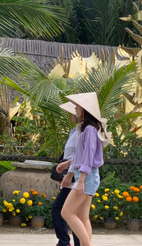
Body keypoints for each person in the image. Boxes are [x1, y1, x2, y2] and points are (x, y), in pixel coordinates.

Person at [59, 92, 111, 246]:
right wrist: (69, 172)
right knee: (83, 217)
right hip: (87, 177)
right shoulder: (86, 129)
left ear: (85, 110)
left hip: (86, 178)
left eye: (77, 106)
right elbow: (79, 157)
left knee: (66, 212)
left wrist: (80, 180)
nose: (75, 109)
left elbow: (87, 157)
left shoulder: (89, 130)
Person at [52, 102, 81, 246]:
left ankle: (65, 242)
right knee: (72, 211)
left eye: (75, 110)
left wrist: (68, 174)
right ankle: (68, 242)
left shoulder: (84, 132)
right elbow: (69, 154)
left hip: (77, 174)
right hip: (71, 173)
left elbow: (81, 156)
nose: (71, 114)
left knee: (63, 209)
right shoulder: (74, 131)